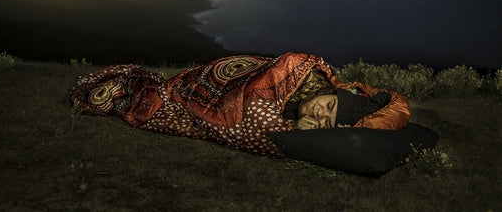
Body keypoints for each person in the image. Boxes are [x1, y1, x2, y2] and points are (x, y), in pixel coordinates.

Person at [69, 52, 410, 157]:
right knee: (156, 92)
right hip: (215, 84)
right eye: (329, 108)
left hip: (206, 104)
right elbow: (270, 74)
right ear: (332, 94)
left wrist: (300, 132)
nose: (320, 115)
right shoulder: (301, 72)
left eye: (326, 123)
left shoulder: (293, 125)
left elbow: (250, 130)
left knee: (152, 108)